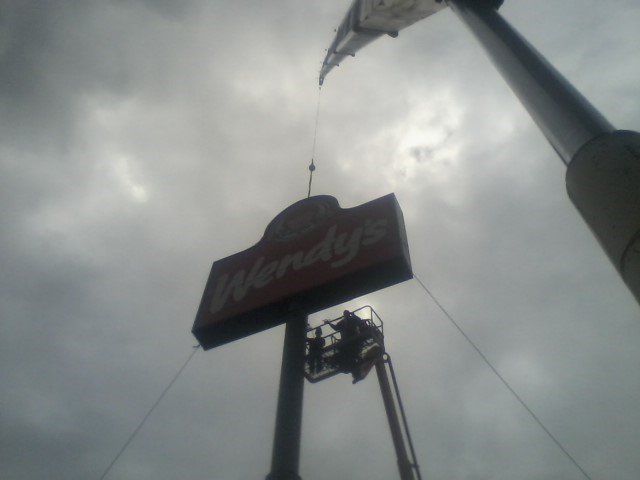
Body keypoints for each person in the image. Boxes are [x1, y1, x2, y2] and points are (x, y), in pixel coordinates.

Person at [325, 310, 365, 381]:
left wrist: (354, 315)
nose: (346, 315)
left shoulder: (351, 319)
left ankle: (330, 361)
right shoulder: (344, 321)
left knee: (344, 356)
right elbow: (336, 328)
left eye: (347, 314)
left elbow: (359, 321)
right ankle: (330, 361)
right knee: (345, 356)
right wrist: (329, 323)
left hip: (352, 341)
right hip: (348, 343)